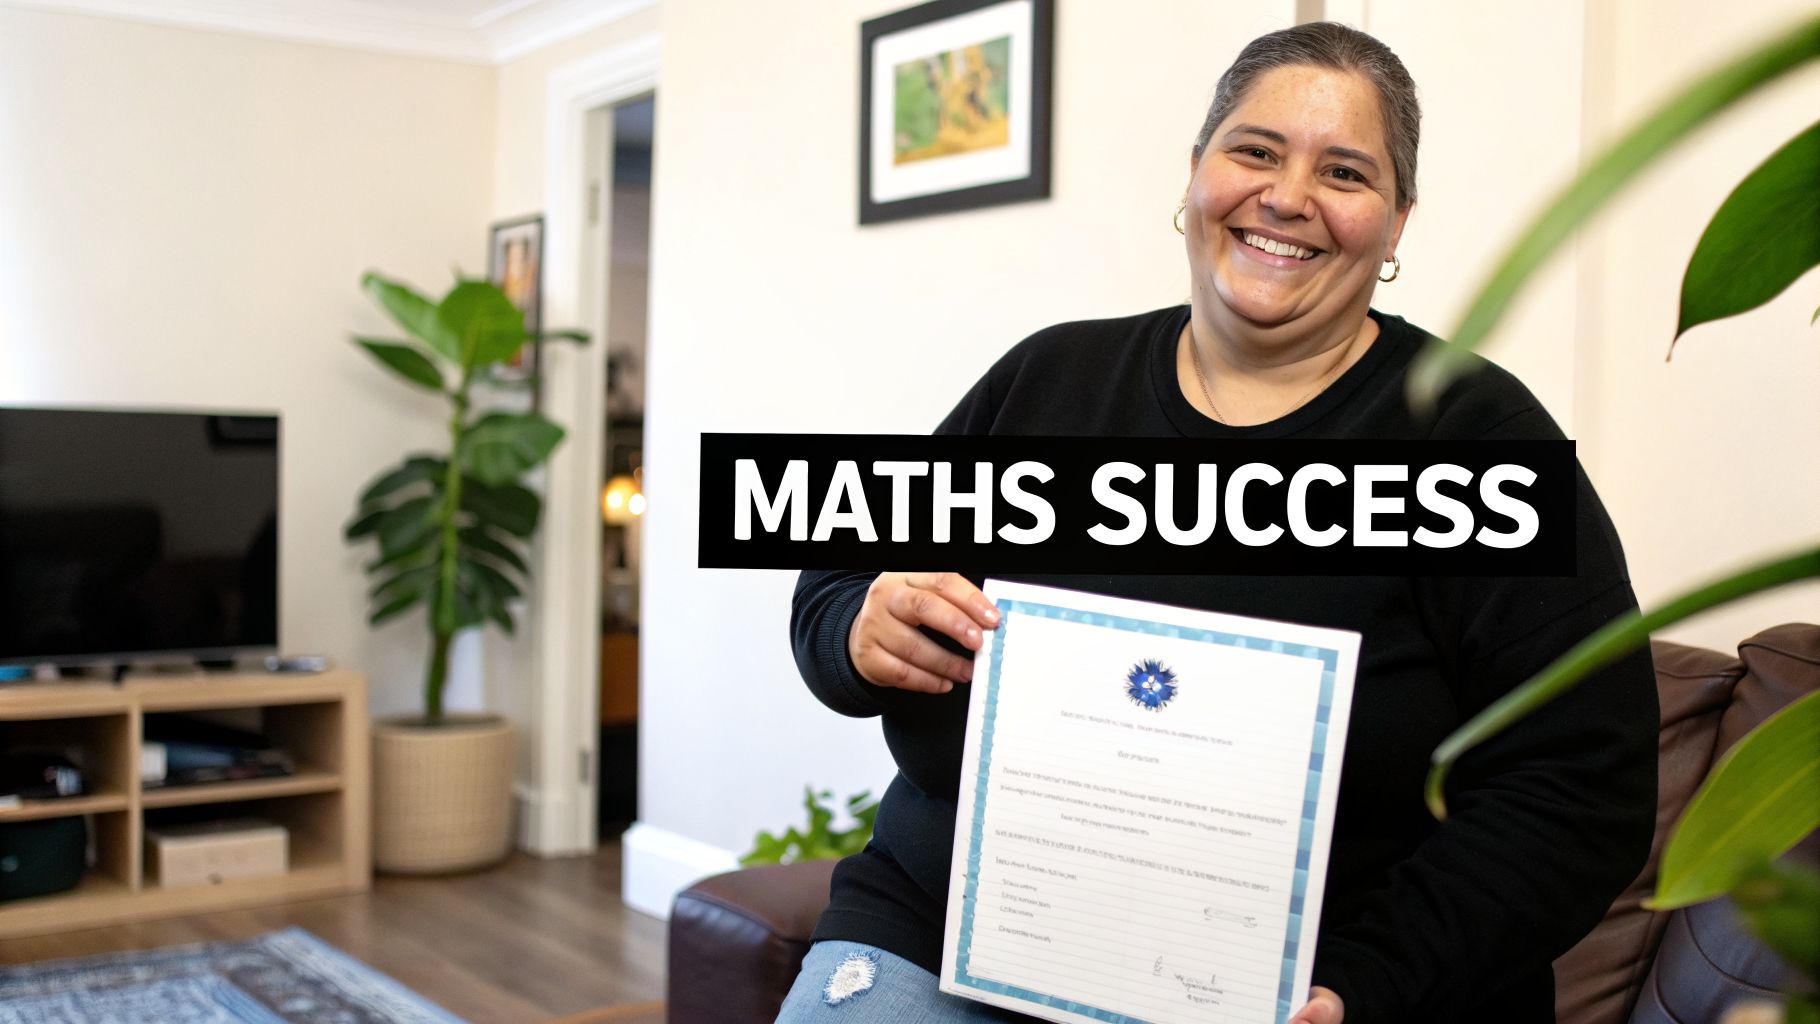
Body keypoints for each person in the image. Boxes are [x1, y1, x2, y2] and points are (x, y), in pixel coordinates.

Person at [782, 22, 1657, 1024]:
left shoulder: (1477, 442)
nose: (1286, 196)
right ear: (1195, 172)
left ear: (1396, 223)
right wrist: (859, 628)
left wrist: (1368, 982)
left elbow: (1583, 784)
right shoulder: (1049, 380)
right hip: (948, 942)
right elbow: (838, 584)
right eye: (1254, 151)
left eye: (1343, 171)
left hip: (1301, 995)